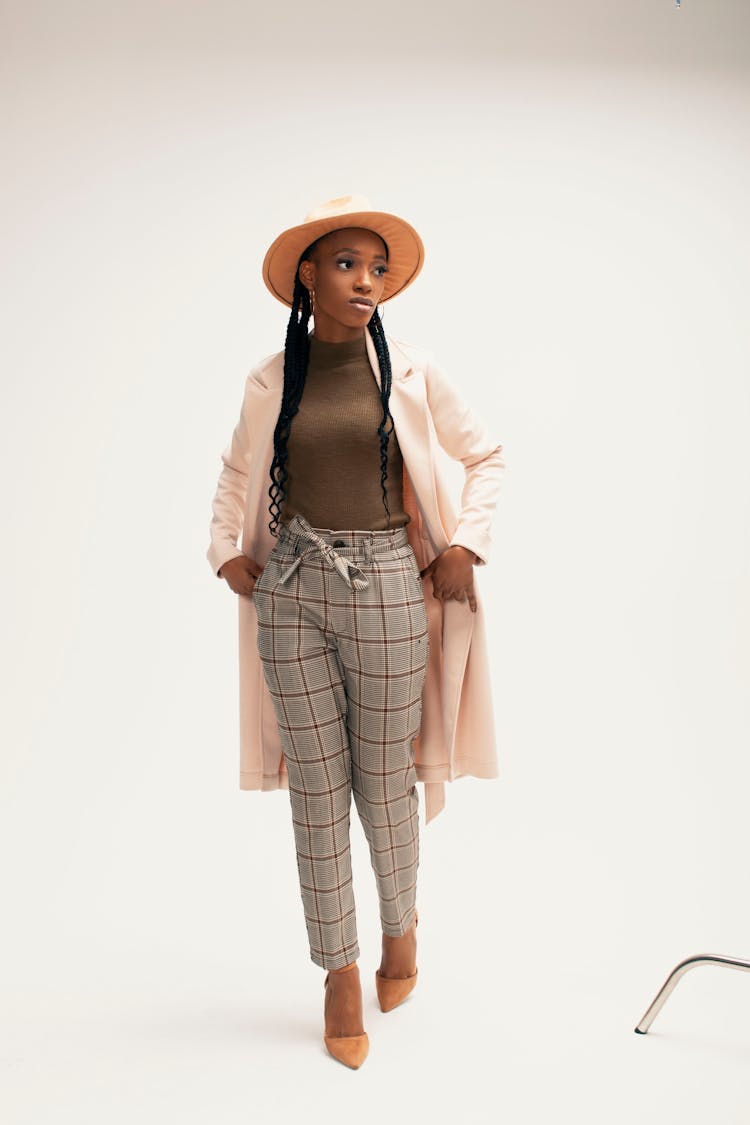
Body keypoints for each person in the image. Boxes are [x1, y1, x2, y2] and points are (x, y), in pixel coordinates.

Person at [207, 194, 504, 1069]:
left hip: (385, 583)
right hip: (291, 588)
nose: (365, 280)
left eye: (376, 267)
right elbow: (235, 471)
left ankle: (400, 921)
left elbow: (486, 454)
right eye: (346, 264)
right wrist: (226, 551)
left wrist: (464, 546)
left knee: (384, 784)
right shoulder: (272, 379)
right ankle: (338, 970)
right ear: (308, 275)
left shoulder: (411, 370)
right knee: (315, 793)